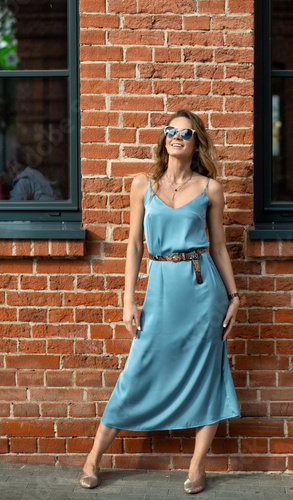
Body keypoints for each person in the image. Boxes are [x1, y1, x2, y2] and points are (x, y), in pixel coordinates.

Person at [79, 109, 241, 494]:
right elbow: (135, 245)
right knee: (137, 370)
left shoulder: (209, 189)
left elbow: (218, 247)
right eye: (171, 130)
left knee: (208, 375)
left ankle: (197, 467)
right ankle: (93, 458)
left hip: (204, 295)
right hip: (161, 289)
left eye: (186, 133)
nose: (177, 137)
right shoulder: (143, 185)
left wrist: (234, 296)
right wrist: (128, 300)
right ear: (164, 138)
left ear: (196, 142)